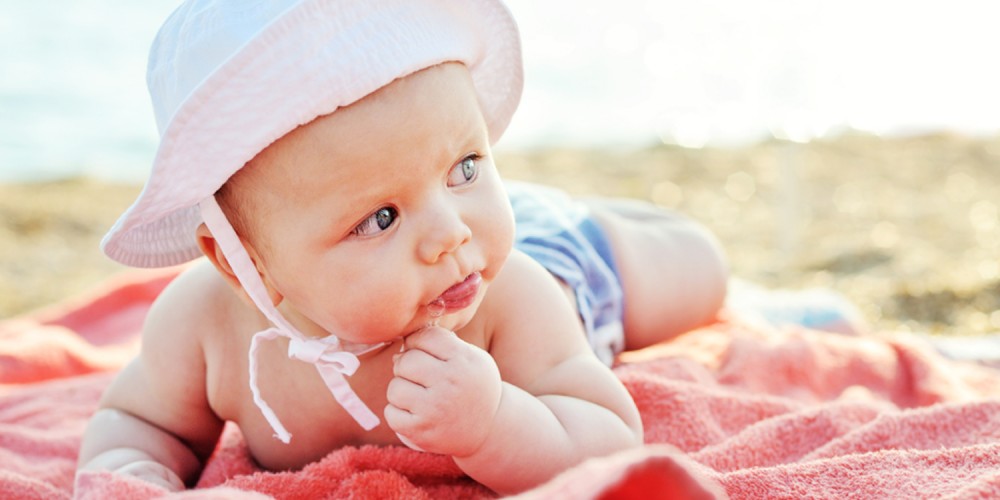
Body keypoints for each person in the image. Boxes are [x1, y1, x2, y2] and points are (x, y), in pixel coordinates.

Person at [76, 0, 728, 494]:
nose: (450, 232)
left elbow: (608, 438)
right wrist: (137, 480)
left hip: (564, 256)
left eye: (469, 163)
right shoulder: (205, 328)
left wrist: (496, 421)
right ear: (244, 264)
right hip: (498, 228)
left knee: (700, 269)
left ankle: (584, 213)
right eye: (380, 217)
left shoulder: (513, 297)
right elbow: (138, 423)